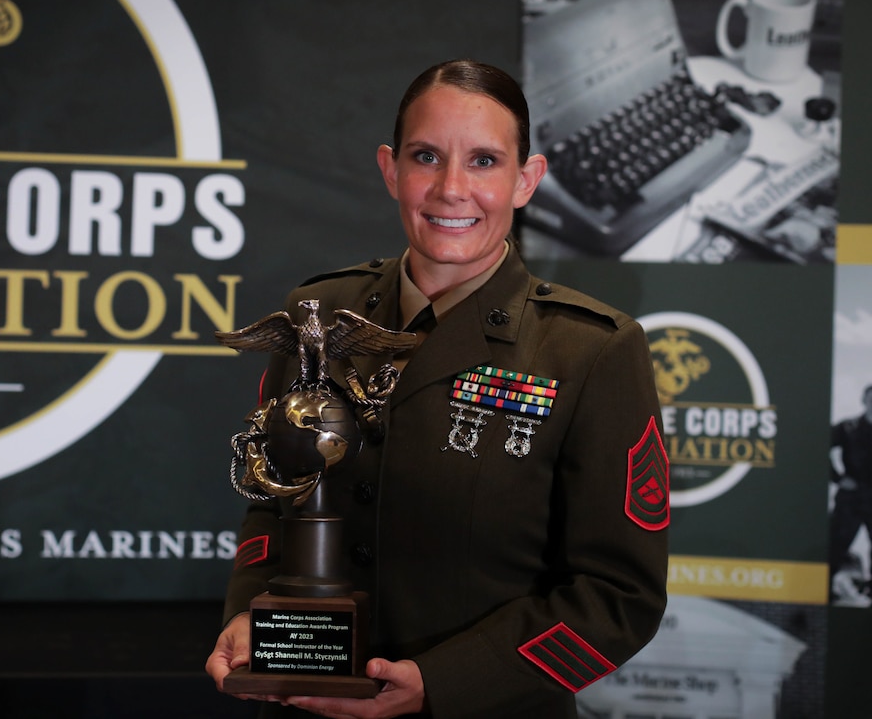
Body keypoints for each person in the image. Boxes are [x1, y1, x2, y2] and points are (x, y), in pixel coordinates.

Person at [206, 59, 669, 718]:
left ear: (526, 180)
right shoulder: (316, 313)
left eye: (484, 161)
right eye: (427, 156)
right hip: (307, 701)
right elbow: (272, 496)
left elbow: (620, 595)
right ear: (391, 169)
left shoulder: (591, 350)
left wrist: (445, 680)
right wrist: (254, 609)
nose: (452, 188)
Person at [829, 384, 872, 604]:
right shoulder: (848, 428)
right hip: (851, 498)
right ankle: (826, 590)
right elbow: (816, 445)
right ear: (864, 401)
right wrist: (836, 478)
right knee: (836, 545)